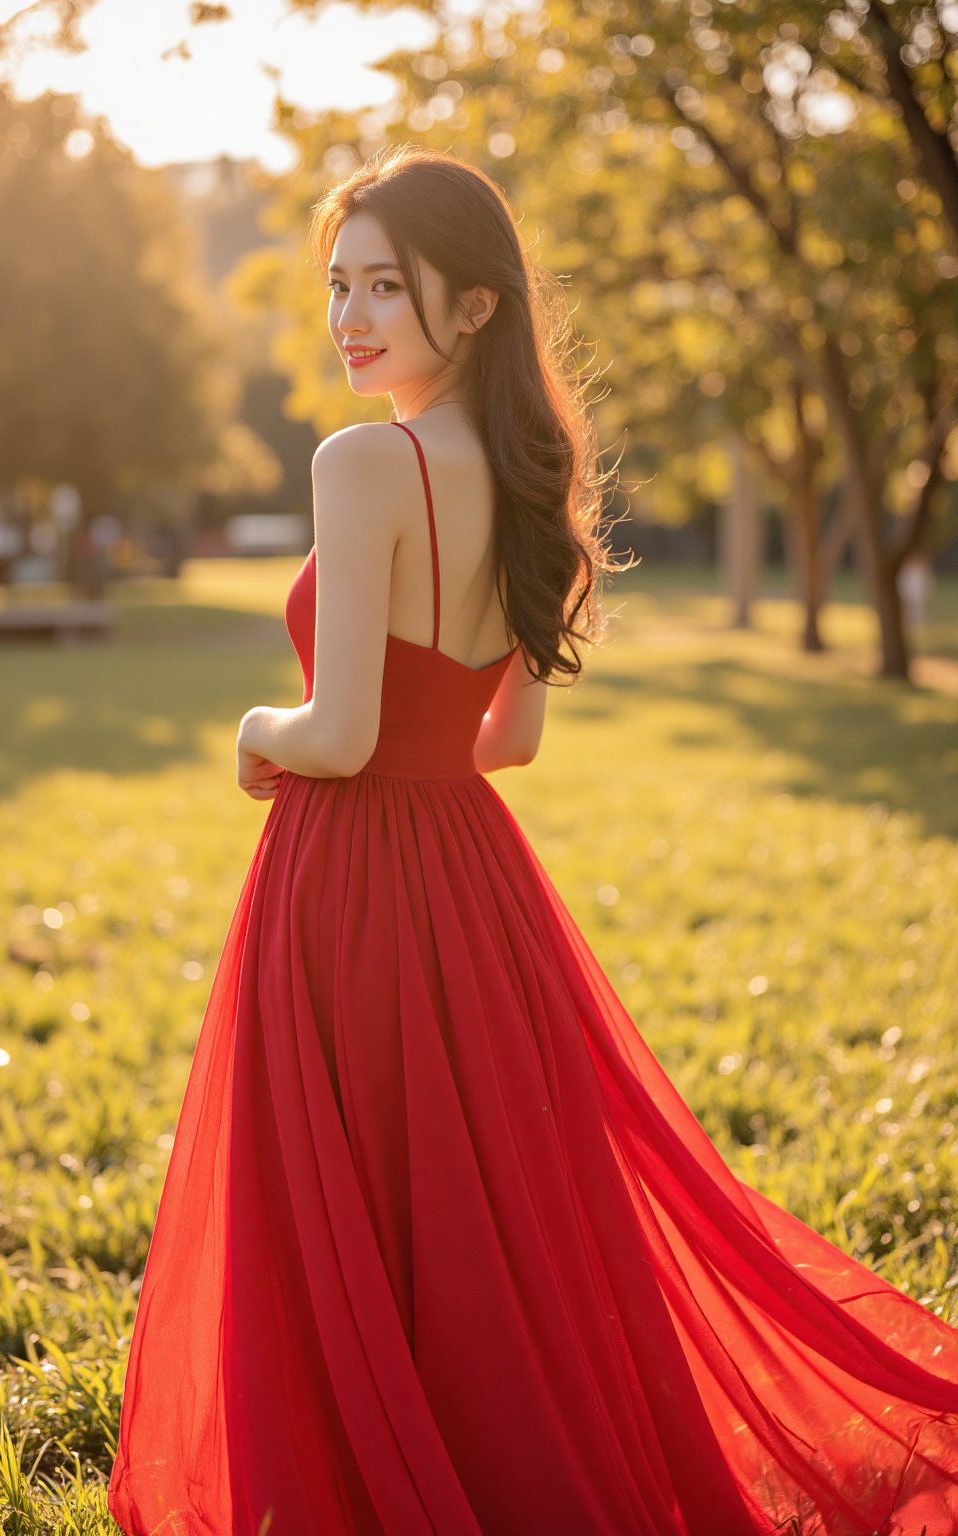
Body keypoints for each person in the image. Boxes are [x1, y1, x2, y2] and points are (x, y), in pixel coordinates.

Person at [107, 145, 958, 1536]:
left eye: (388, 283)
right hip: (473, 881)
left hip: (351, 875)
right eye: (339, 284)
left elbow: (340, 729)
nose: (350, 314)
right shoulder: (526, 474)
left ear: (480, 302)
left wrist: (261, 729)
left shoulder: (365, 460)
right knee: (476, 1205)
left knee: (355, 1193)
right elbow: (506, 742)